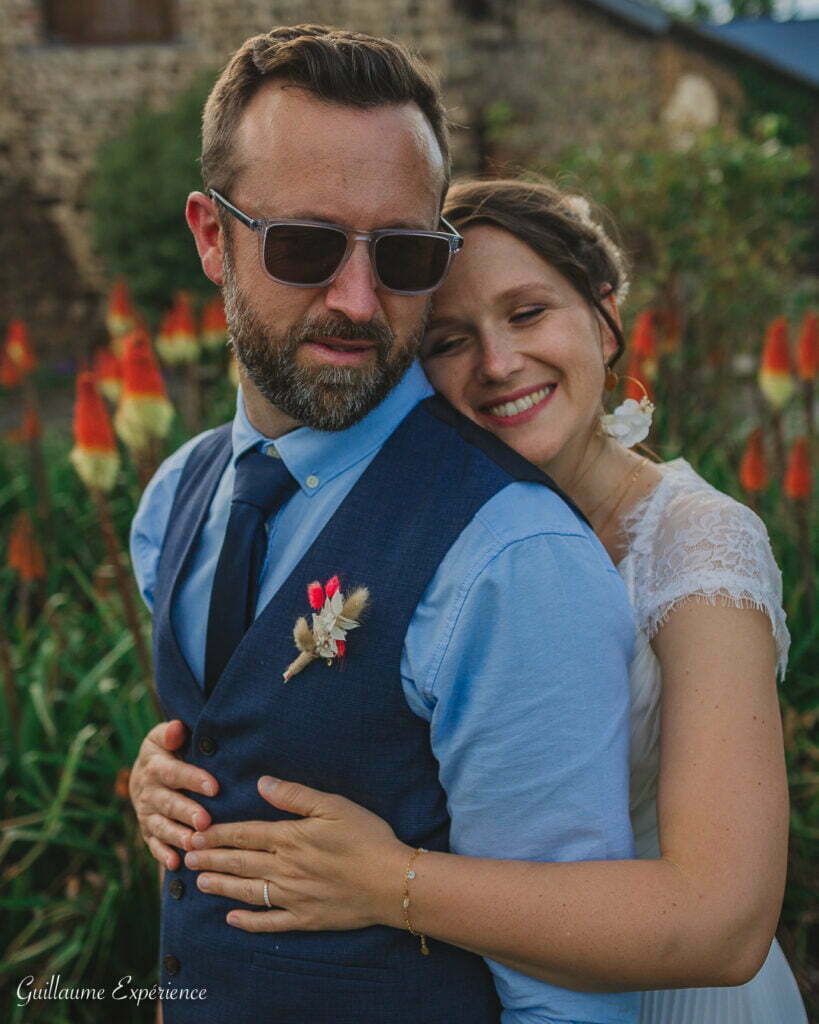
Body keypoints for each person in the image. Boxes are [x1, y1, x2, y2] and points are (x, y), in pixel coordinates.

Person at [132, 178, 808, 1023]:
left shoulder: (697, 545)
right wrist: (183, 780)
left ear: (603, 321)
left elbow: (722, 926)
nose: (496, 363)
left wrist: (390, 883)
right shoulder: (439, 536)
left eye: (527, 314)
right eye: (449, 339)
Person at [128, 27, 640, 1024]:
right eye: (306, 245)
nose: (357, 299)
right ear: (209, 234)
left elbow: (573, 1007)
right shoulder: (175, 501)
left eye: (403, 254)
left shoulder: (507, 560)